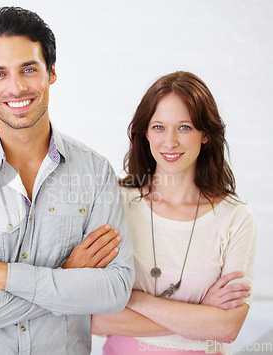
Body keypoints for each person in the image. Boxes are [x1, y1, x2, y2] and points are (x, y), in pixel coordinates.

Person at [0, 6, 134, 355]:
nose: (16, 87)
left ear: (51, 72)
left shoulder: (94, 172)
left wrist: (7, 277)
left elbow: (114, 289)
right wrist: (67, 275)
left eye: (28, 69)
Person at [91, 71, 256, 354]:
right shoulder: (114, 202)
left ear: (205, 135)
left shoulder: (235, 219)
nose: (169, 142)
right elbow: (95, 318)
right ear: (145, 133)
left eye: (184, 127)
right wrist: (201, 314)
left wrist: (132, 299)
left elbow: (226, 328)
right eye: (158, 127)